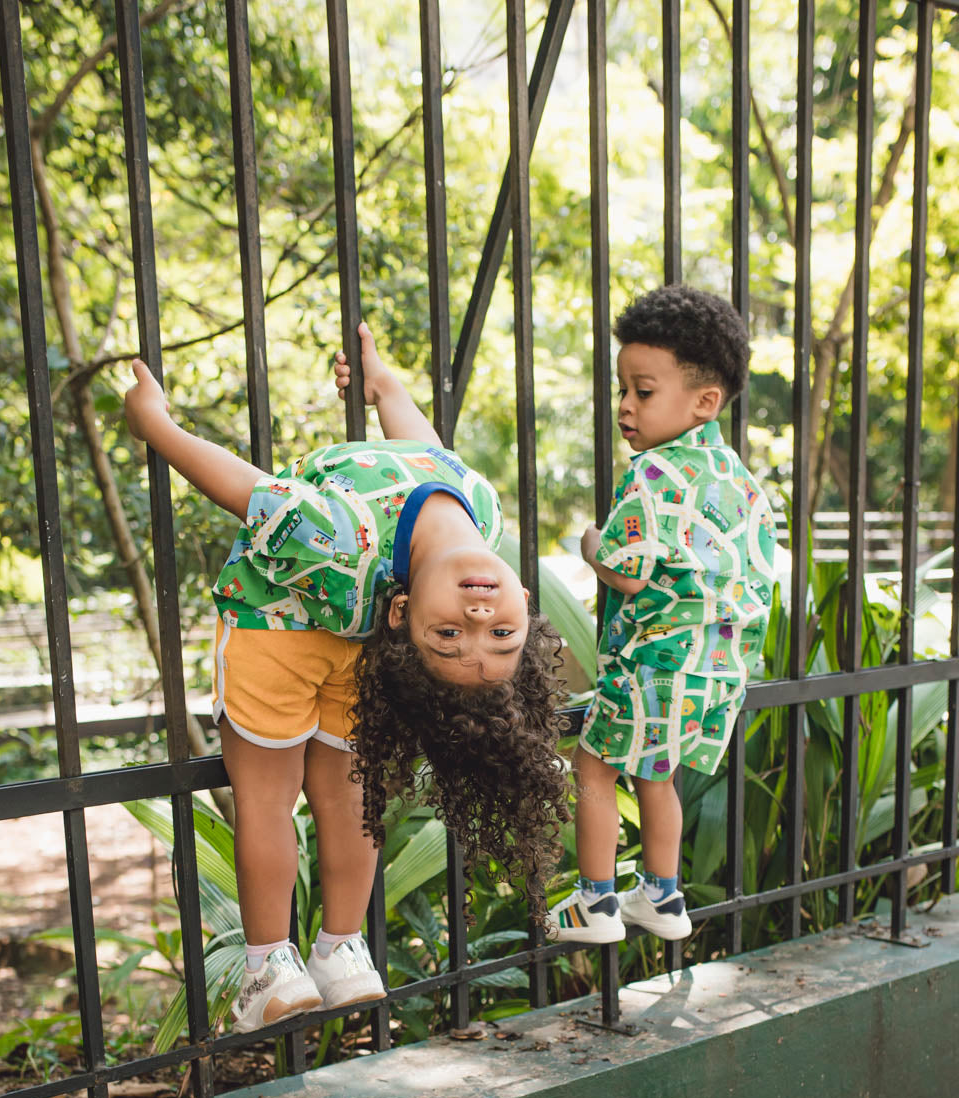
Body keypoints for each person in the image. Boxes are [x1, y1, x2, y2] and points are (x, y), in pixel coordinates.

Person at [124, 324, 566, 1033]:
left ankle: (270, 967)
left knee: (272, 797)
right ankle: (342, 954)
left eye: (449, 636)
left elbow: (245, 489)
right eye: (499, 634)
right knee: (348, 790)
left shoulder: (338, 534)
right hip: (348, 641)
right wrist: (384, 387)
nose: (478, 618)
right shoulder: (479, 511)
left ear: (403, 613)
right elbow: (429, 457)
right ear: (525, 606)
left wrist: (158, 426)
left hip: (275, 627)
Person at [545, 284, 776, 946]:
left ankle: (595, 903)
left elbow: (626, 570)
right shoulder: (736, 479)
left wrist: (590, 543)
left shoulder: (655, 475)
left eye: (643, 391)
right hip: (713, 673)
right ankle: (663, 897)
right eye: (623, 389)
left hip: (654, 664)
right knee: (656, 775)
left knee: (594, 767)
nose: (624, 404)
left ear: (704, 401)